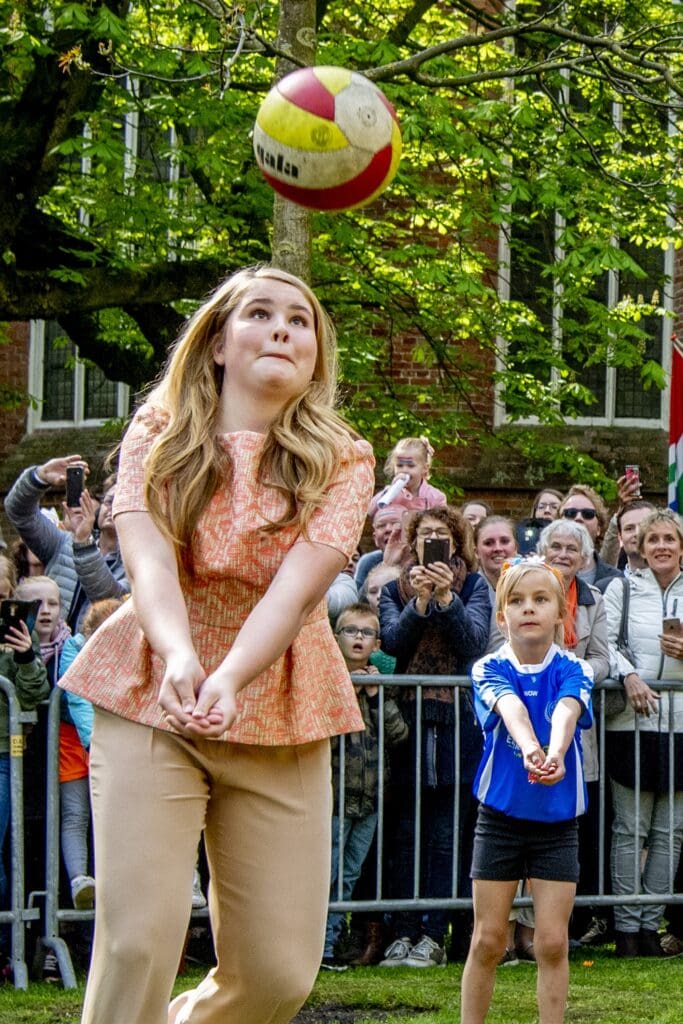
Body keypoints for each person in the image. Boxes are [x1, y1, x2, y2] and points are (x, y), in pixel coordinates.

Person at [58, 265, 375, 1024]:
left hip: (284, 698)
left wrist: (229, 677)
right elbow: (148, 564)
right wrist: (180, 657)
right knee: (139, 942)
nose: (281, 328)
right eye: (259, 313)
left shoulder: (344, 458)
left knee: (278, 973)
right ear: (218, 344)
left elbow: (295, 593)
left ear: (315, 356)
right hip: (153, 685)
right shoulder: (157, 435)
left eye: (299, 320)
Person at [461, 558, 593, 1024]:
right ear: (502, 617)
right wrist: (532, 750)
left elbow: (567, 710)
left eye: (540, 599)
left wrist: (555, 754)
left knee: (552, 942)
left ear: (560, 613)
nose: (529, 608)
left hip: (557, 822)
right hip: (499, 820)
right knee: (488, 939)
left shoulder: (575, 667)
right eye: (516, 601)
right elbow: (511, 707)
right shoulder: (488, 667)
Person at [378, 506, 490, 967]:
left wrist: (446, 598)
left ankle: (433, 933)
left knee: (445, 832)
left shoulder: (474, 586)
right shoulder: (394, 589)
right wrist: (420, 603)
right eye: (424, 534)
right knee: (406, 831)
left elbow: (473, 642)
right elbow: (392, 644)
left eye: (441, 534)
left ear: (456, 542)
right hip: (407, 721)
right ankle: (402, 931)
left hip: (455, 722)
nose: (432, 541)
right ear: (413, 542)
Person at [602, 508, 683, 957]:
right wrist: (629, 675)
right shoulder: (622, 588)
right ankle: (626, 927)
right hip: (631, 721)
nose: (662, 547)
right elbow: (606, 643)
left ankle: (651, 926)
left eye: (670, 539)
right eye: (654, 540)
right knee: (630, 829)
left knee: (670, 830)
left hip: (680, 722)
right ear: (641, 546)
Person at [536, 519, 610, 949]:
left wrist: (576, 670)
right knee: (528, 819)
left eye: (572, 549)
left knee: (569, 830)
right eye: (556, 546)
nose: (563, 555)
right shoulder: (523, 586)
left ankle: (560, 928)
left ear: (584, 558)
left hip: (576, 724)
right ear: (543, 551)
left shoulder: (593, 598)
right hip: (528, 717)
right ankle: (523, 928)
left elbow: (602, 657)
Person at [322, 603, 408, 970]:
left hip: (369, 798)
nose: (359, 638)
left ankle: (330, 942)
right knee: (325, 873)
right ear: (336, 637)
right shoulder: (327, 680)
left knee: (349, 874)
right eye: (351, 631)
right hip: (334, 797)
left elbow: (398, 734)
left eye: (367, 632)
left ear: (377, 643)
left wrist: (377, 696)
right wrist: (349, 690)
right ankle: (318, 946)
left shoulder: (380, 684)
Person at [58, 598, 124, 910]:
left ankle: (116, 881)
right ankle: (80, 880)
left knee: (115, 814)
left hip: (116, 737)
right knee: (76, 813)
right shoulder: (75, 647)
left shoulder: (131, 648)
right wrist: (94, 743)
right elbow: (77, 696)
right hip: (76, 739)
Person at [5, 465, 129, 631]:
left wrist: (83, 542)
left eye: (121, 501)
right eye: (109, 501)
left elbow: (109, 601)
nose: (113, 507)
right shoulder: (63, 543)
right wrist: (39, 477)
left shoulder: (137, 561)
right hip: (45, 646)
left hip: (94, 646)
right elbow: (19, 513)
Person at [0, 557, 50, 955]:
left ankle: (4, 946)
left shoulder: (18, 635)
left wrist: (24, 657)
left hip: (3, 753)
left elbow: (34, 695)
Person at [558, 485, 621, 592]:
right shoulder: (539, 573)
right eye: (570, 513)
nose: (578, 518)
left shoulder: (616, 580)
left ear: (599, 528)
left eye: (588, 514)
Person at [368, 436, 447, 518]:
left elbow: (442, 522)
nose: (404, 470)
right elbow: (368, 513)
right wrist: (389, 492)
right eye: (399, 465)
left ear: (425, 468)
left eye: (410, 466)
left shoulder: (435, 497)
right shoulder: (389, 492)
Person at [474, 516, 518, 653]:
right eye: (488, 543)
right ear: (476, 552)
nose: (498, 548)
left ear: (516, 547)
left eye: (505, 541)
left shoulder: (534, 583)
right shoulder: (468, 588)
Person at [354, 503, 407, 591]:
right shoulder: (369, 561)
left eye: (396, 523)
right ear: (375, 539)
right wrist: (385, 565)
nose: (388, 529)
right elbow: (360, 599)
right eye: (381, 526)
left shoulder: (422, 558)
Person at [516, 488, 564, 555]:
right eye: (541, 507)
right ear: (535, 511)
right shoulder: (520, 534)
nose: (547, 510)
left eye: (554, 507)